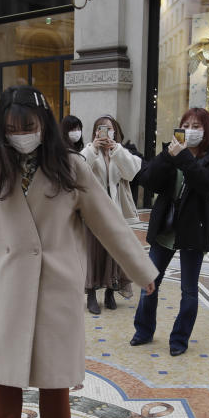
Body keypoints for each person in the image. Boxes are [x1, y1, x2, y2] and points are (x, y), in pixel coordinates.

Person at [0, 85, 158, 418]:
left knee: (54, 369)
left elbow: (109, 222)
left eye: (28, 124)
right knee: (3, 369)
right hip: (6, 283)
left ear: (44, 124)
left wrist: (141, 272)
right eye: (11, 127)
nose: (20, 133)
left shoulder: (70, 167)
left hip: (56, 282)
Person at [132, 108, 209, 356]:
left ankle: (179, 339)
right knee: (149, 281)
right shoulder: (170, 152)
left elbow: (207, 184)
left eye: (196, 125)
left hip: (193, 231)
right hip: (165, 227)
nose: (190, 130)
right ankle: (143, 330)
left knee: (188, 290)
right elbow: (148, 181)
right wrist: (167, 156)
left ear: (206, 130)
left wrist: (184, 157)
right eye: (185, 124)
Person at [80, 115, 142, 313]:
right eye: (102, 128)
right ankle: (91, 294)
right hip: (93, 213)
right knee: (92, 253)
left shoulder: (120, 152)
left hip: (115, 212)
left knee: (114, 254)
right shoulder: (89, 151)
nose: (106, 131)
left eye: (110, 128)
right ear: (96, 132)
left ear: (116, 131)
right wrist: (93, 149)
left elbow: (131, 173)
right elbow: (78, 171)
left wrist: (116, 150)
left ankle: (110, 292)